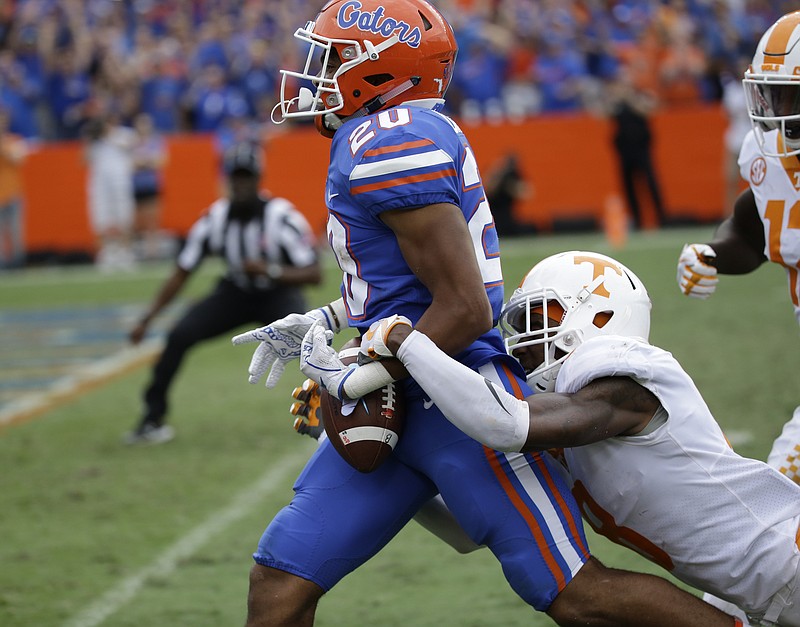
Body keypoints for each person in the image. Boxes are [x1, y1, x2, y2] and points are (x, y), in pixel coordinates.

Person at [233, 2, 741, 625]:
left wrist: (360, 374)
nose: (315, 73)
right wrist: (331, 317)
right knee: (281, 581)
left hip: (453, 392)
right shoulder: (386, 134)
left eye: (333, 58)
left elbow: (468, 306)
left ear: (382, 69)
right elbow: (402, 281)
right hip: (399, 392)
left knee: (572, 593)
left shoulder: (392, 140)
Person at [305, 250, 800, 627]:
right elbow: (465, 531)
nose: (520, 341)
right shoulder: (570, 425)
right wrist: (370, 444)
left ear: (600, 317)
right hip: (761, 587)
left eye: (540, 320)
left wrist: (409, 344)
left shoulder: (619, 379)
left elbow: (506, 423)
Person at [126, 141, 321, 444]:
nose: (241, 184)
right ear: (228, 179)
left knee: (314, 344)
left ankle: (333, 414)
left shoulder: (281, 217)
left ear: (258, 179)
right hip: (236, 293)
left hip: (278, 293)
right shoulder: (215, 218)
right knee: (179, 336)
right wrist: (148, 318)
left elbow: (314, 272)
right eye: (236, 177)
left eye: (247, 177)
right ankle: (152, 419)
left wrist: (270, 270)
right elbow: (183, 271)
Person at [677, 10, 800, 485]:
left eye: (790, 96)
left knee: (780, 498)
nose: (775, 110)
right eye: (772, 93)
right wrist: (713, 253)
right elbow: (752, 234)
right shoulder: (766, 159)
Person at [606, 69, 667, 230]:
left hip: (641, 148)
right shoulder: (617, 103)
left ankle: (662, 217)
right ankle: (637, 220)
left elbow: (649, 109)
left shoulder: (640, 96)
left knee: (650, 182)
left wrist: (629, 98)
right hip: (624, 149)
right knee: (628, 186)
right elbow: (603, 114)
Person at [83, 110, 137, 272]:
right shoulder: (95, 140)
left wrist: (109, 135)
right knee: (101, 218)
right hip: (100, 184)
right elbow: (84, 160)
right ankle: (107, 252)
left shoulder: (124, 134)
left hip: (120, 182)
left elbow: (131, 144)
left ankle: (125, 251)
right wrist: (90, 139)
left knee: (124, 218)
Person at [0, 107, 30, 270]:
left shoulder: (13, 140)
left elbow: (19, 159)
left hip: (13, 193)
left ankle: (18, 265)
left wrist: (3, 146)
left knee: (16, 233)